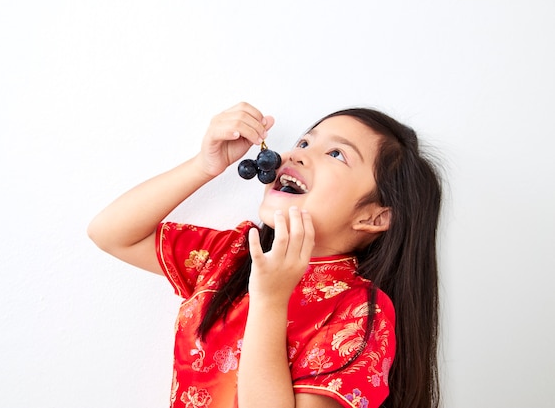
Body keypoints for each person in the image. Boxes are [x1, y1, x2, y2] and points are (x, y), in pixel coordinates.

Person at [87, 102, 442, 408]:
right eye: (305, 141)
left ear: (374, 216)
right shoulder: (233, 254)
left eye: (336, 154)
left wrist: (270, 300)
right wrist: (204, 166)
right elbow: (111, 233)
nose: (296, 153)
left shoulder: (361, 310)